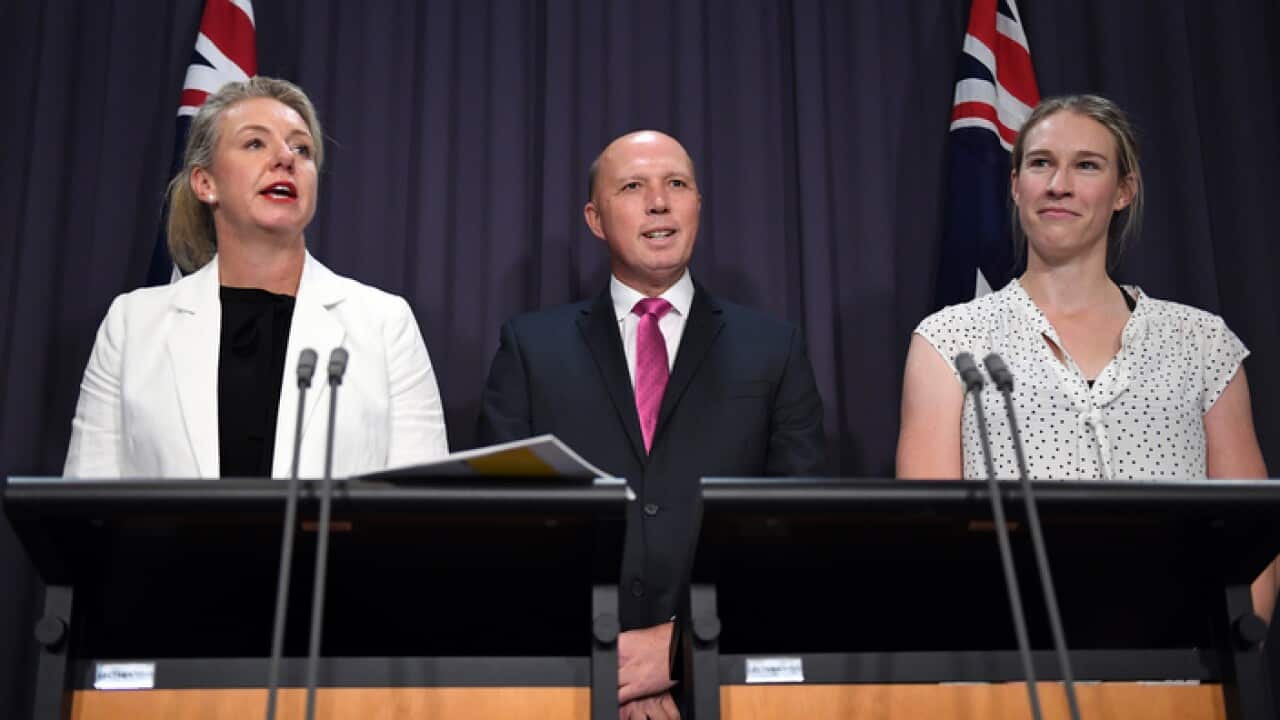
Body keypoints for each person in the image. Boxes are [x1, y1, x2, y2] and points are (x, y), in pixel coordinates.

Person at [477, 130, 826, 718]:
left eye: (677, 185)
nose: (659, 202)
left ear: (698, 206)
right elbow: (502, 529)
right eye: (633, 187)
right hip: (569, 686)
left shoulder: (774, 349)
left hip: (724, 686)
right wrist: (609, 657)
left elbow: (795, 534)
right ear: (595, 218)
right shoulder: (530, 347)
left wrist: (677, 651)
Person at [896, 94, 1277, 623]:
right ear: (1015, 185)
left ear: (1124, 191)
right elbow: (930, 534)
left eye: (1087, 165)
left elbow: (1250, 534)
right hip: (1014, 669)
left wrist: (1236, 653)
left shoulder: (1202, 342)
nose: (1059, 185)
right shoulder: (950, 339)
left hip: (1181, 668)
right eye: (1041, 163)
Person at [64, 76, 449, 479]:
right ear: (205, 183)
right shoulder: (132, 325)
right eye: (255, 143)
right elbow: (86, 503)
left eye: (301, 148)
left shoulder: (385, 324)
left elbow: (419, 507)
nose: (286, 158)